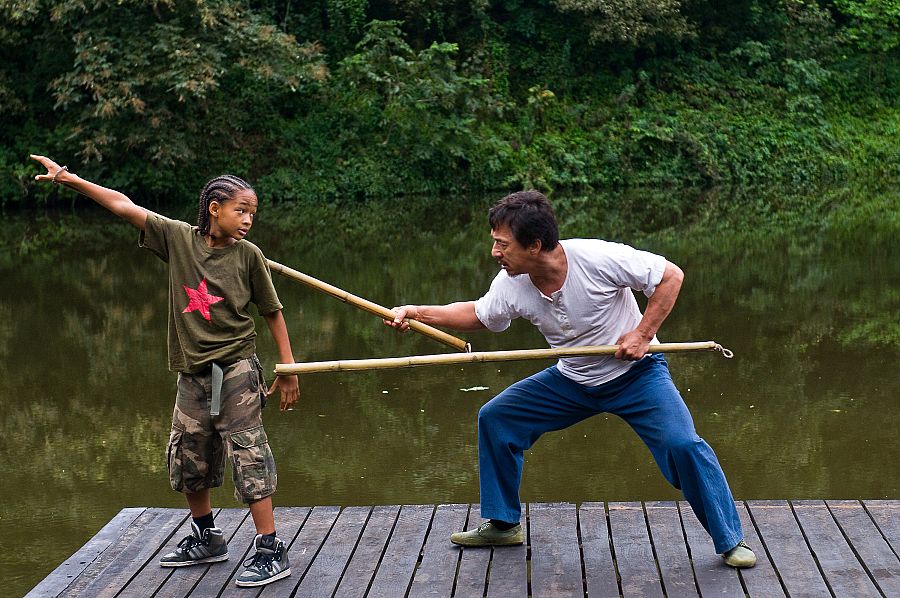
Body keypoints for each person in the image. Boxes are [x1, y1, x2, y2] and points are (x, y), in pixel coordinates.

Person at [385, 190, 756, 568]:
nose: (495, 253)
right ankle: (502, 523)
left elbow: (670, 276)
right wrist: (417, 312)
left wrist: (643, 334)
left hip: (637, 376)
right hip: (573, 379)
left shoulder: (597, 258)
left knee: (682, 444)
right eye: (494, 243)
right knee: (497, 418)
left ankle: (730, 540)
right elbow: (480, 316)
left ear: (534, 245)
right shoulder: (511, 282)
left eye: (503, 245)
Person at [31, 154, 301, 586]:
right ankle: (207, 536)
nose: (249, 220)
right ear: (214, 208)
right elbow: (123, 205)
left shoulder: (249, 255)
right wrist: (67, 178)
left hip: (235, 368)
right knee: (189, 452)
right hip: (192, 372)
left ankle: (270, 547)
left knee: (249, 453)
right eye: (241, 210)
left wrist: (288, 368)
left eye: (253, 213)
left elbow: (272, 312)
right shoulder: (178, 239)